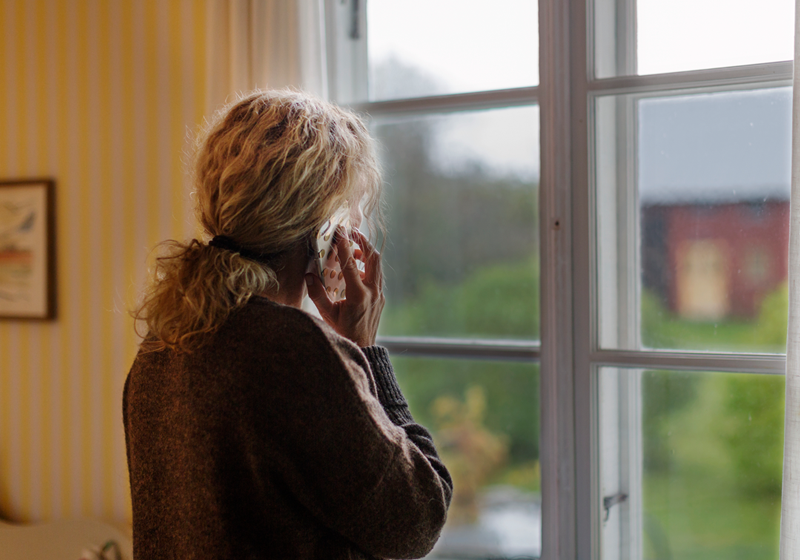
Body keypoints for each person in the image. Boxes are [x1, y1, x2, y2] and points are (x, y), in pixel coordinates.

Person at [123, 90, 453, 559]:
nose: (360, 222)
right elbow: (418, 519)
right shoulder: (297, 350)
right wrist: (365, 351)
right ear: (325, 230)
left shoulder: (163, 343)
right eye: (353, 207)